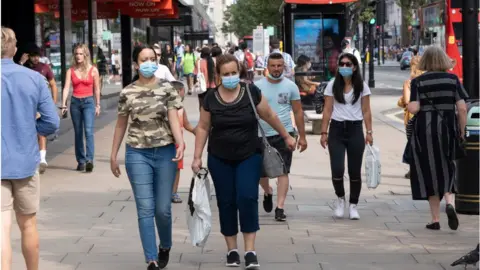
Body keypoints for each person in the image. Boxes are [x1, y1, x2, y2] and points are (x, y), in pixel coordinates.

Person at [192, 54, 296, 269]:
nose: (230, 77)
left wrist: (286, 136)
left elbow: (269, 115)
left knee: (247, 198)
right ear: (218, 76)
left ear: (239, 73)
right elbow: (203, 127)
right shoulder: (210, 98)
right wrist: (196, 156)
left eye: (233, 73)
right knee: (226, 201)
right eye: (226, 74)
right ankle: (231, 250)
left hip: (249, 155)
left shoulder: (251, 92)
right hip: (219, 158)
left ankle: (250, 250)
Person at [110, 45, 185, 270]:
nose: (149, 62)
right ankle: (151, 259)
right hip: (137, 153)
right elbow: (121, 123)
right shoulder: (127, 92)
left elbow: (174, 117)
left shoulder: (168, 89)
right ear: (136, 64)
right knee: (145, 208)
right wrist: (113, 154)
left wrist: (180, 142)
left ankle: (166, 245)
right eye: (144, 59)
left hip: (165, 152)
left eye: (152, 58)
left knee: (163, 208)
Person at [1, 26, 60, 270]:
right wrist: (31, 127)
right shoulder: (34, 78)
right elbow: (52, 122)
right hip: (25, 161)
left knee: (2, 229)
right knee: (28, 224)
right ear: (14, 49)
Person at [406, 46, 468, 231]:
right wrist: (462, 132)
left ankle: (435, 220)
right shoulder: (452, 80)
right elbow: (462, 109)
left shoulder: (419, 81)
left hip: (425, 132)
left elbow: (414, 108)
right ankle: (449, 202)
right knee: (448, 165)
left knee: (430, 169)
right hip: (448, 129)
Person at [320, 52, 373, 220]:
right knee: (337, 169)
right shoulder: (332, 85)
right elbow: (327, 110)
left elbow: (366, 110)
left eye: (348, 64)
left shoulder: (362, 86)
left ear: (354, 67)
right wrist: (323, 132)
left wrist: (369, 132)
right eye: (341, 64)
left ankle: (353, 205)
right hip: (336, 129)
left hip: (355, 129)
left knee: (354, 171)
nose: (344, 67)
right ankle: (340, 199)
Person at [256, 53, 308, 222]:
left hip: (285, 134)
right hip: (261, 135)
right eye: (273, 66)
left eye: (279, 66)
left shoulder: (291, 86)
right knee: (261, 173)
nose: (276, 69)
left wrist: (302, 136)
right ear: (267, 67)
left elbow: (298, 111)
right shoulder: (257, 87)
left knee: (283, 171)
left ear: (284, 67)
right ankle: (268, 191)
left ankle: (280, 207)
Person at [60, 44, 101, 172]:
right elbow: (66, 88)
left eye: (80, 54)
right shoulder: (70, 71)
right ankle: (81, 161)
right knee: (78, 133)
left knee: (88, 131)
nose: (78, 56)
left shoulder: (93, 70)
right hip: (75, 103)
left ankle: (89, 160)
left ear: (85, 55)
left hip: (89, 102)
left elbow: (96, 88)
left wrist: (97, 104)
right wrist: (63, 104)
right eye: (76, 54)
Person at [22, 44, 59, 174]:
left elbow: (53, 85)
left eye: (38, 56)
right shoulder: (24, 68)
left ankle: (42, 159)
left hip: (42, 105)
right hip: (28, 105)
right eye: (33, 56)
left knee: (41, 131)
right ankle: (36, 158)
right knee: (32, 132)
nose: (36, 59)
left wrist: (53, 103)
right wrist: (21, 62)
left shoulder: (44, 68)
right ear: (28, 56)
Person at [398, 55, 424, 179]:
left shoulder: (409, 83)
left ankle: (413, 170)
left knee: (412, 144)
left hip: (412, 118)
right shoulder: (426, 81)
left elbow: (408, 101)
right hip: (426, 117)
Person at [170, 81, 196, 204]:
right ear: (179, 91)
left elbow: (187, 125)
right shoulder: (167, 108)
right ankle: (167, 192)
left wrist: (197, 132)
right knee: (170, 169)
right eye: (182, 91)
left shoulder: (181, 109)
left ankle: (173, 192)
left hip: (178, 146)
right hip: (168, 144)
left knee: (176, 169)